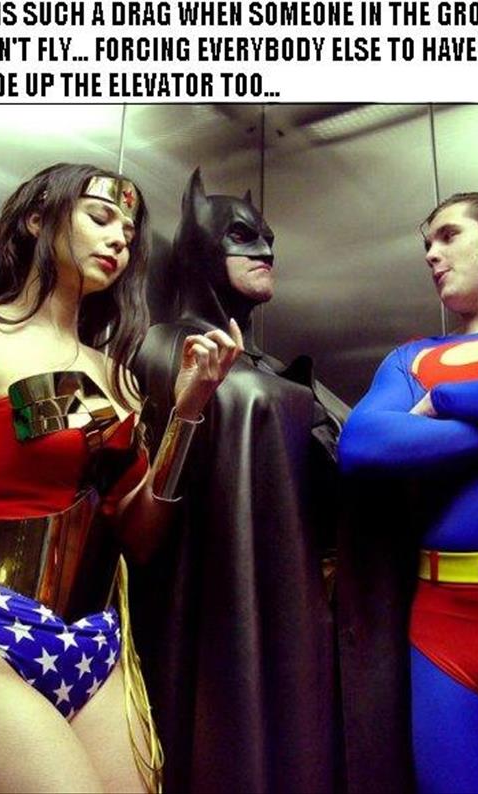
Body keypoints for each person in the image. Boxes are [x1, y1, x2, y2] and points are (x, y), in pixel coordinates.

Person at [0, 162, 243, 794]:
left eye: (128, 234)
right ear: (37, 219)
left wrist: (187, 411)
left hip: (92, 641)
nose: (118, 241)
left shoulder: (117, 377)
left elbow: (141, 536)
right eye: (100, 218)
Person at [131, 169, 349, 794]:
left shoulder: (272, 366)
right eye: (241, 236)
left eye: (268, 238)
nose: (265, 250)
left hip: (290, 599)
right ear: (201, 248)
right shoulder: (166, 344)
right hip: (211, 605)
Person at [339, 192, 478, 794]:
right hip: (446, 630)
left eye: (448, 235)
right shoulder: (412, 357)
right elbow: (364, 445)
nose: (431, 255)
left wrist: (443, 400)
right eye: (426, 245)